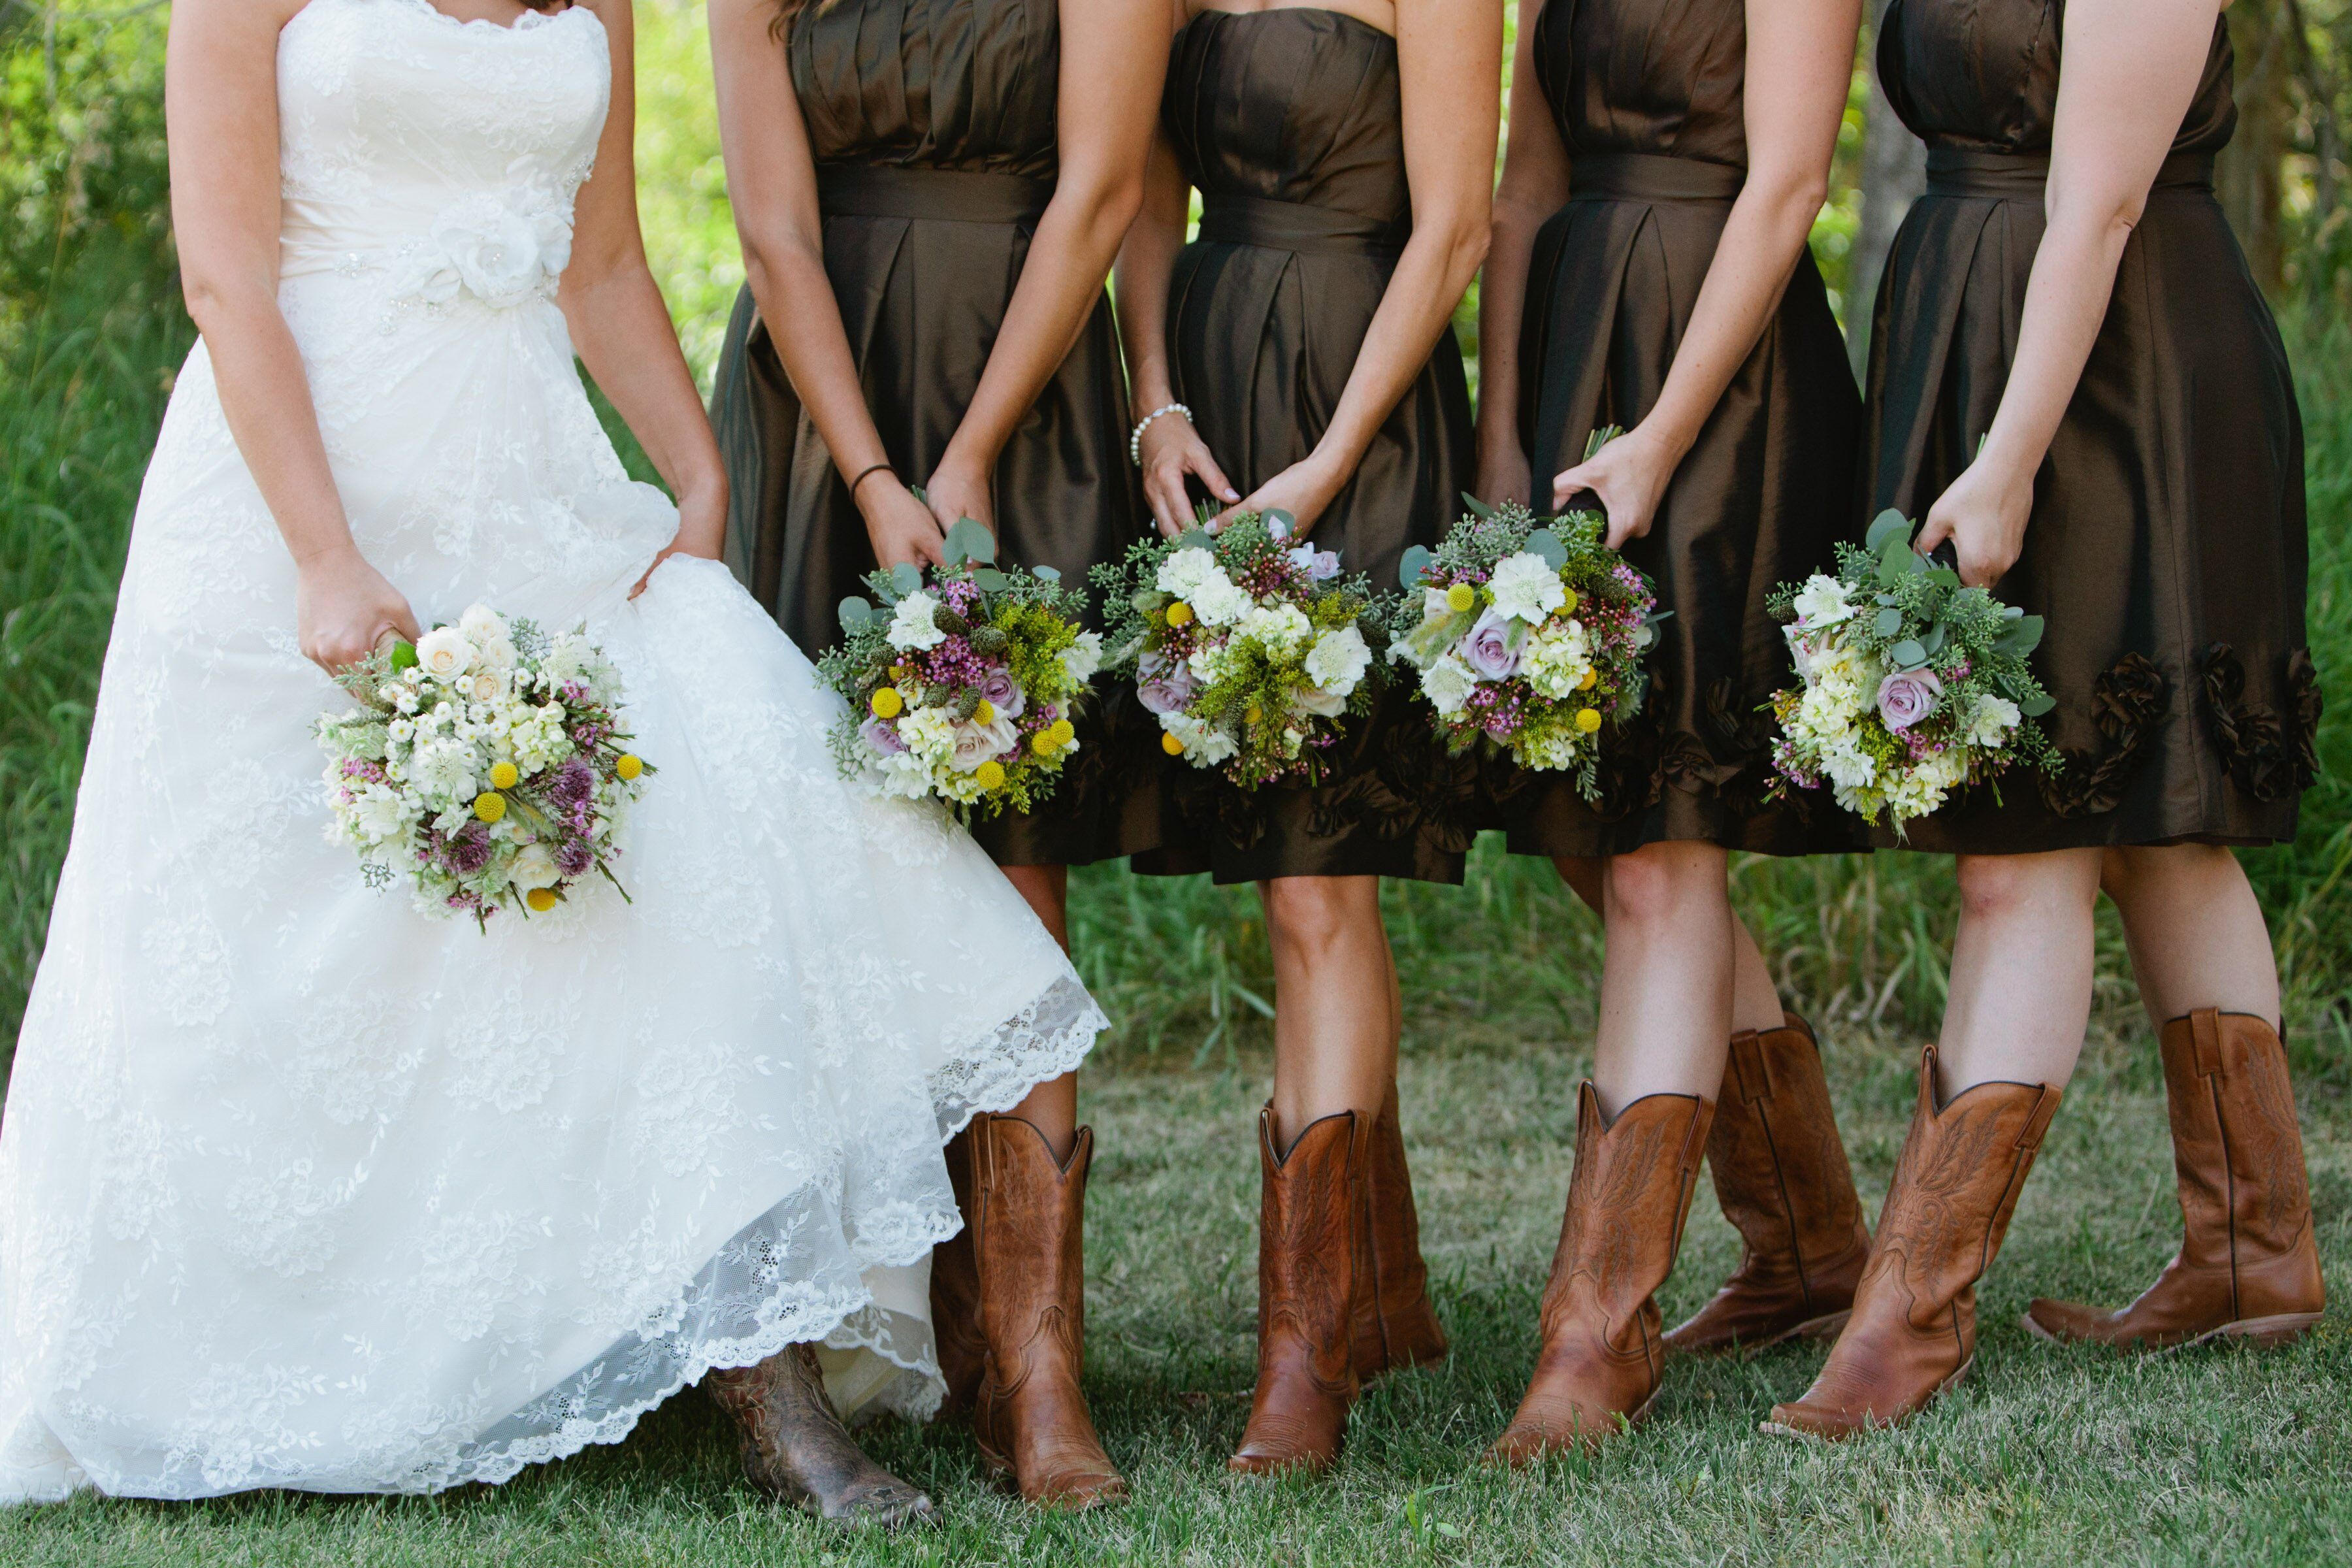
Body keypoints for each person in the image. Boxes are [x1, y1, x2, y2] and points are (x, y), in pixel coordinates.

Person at [0, 0, 1107, 1524]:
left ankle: (764, 1366)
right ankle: (321, 1335)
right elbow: (224, 277)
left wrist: (697, 476)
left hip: (522, 471)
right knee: (305, 936)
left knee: (696, 830)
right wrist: (326, 558)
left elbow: (597, 266)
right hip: (293, 486)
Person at [1768, 0, 2325, 1441]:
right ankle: (2251, 1262)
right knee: (2160, 840)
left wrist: (2007, 462)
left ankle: (1910, 1316)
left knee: (2034, 840)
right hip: (1975, 329)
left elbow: (2104, 197)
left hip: (2125, 377)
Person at [704, 0, 1169, 1509]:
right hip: (816, 385)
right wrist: (871, 468)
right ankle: (830, 1322)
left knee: (1012, 850)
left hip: (1014, 382)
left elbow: (1101, 188)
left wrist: (966, 457)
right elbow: (773, 226)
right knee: (805, 846)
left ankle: (1033, 1367)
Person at [1469, 0, 1868, 1457]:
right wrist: (1506, 428)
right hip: (1581, 353)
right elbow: (1524, 191)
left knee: (1660, 848)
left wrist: (1661, 432)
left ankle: (1598, 1330)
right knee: (1598, 835)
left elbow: (1789, 187)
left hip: (1728, 381)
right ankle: (1811, 1243)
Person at [1114, 0, 1501, 1475]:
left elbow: (1457, 225)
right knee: (1276, 867)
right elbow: (1149, 190)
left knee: (1319, 875)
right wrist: (1156, 401)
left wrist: (1336, 457)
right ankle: (1375, 1298)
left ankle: (1305, 1354)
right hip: (1210, 410)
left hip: (1368, 406)